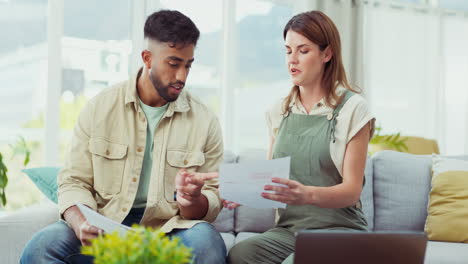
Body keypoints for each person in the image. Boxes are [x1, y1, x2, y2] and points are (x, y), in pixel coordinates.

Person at [20, 10, 226, 264]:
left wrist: (193, 200)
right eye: (173, 64)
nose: (182, 76)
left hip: (171, 231)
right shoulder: (99, 108)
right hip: (104, 226)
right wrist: (81, 222)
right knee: (41, 248)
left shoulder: (205, 121)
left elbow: (212, 199)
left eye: (188, 65)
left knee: (208, 244)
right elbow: (73, 181)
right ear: (147, 58)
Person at [226, 10, 375, 264]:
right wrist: (234, 187)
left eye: (303, 51)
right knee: (241, 254)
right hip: (289, 231)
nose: (292, 60)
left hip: (339, 231)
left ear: (326, 54)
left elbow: (351, 191)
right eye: (288, 51)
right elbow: (272, 177)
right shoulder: (279, 110)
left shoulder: (353, 108)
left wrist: (307, 195)